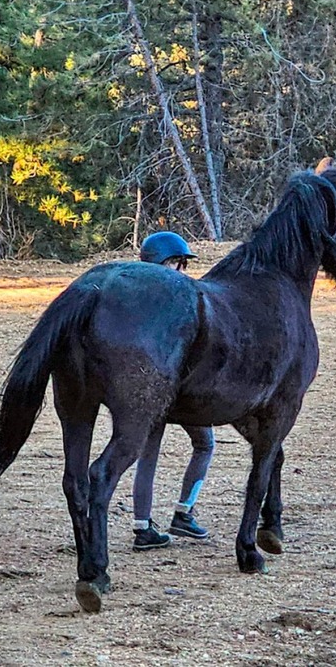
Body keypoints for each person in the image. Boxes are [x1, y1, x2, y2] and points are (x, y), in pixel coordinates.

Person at [130, 231, 215, 550]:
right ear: (157, 265)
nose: (182, 271)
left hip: (150, 388)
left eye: (183, 264)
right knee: (203, 444)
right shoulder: (179, 300)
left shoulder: (135, 297)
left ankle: (145, 525)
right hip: (181, 390)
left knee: (148, 453)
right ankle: (182, 513)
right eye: (175, 264)